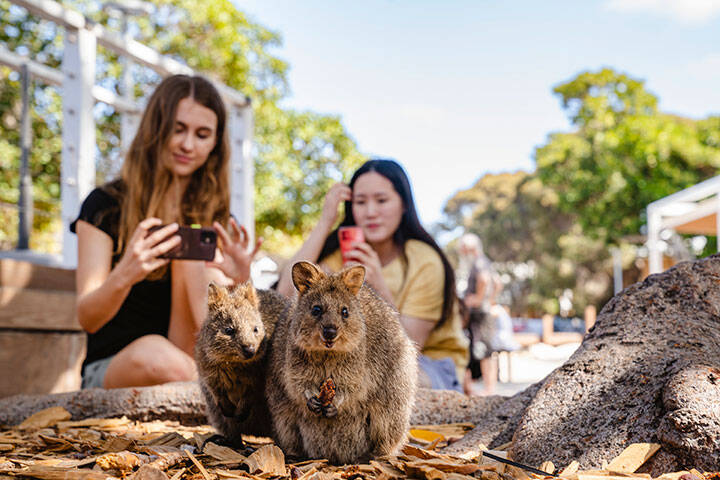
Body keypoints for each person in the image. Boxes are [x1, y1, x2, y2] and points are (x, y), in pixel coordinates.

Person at [71, 74, 260, 390]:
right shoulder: (105, 206)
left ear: (215, 144)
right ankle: (224, 391)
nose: (188, 145)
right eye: (178, 129)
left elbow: (231, 327)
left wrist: (241, 280)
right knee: (158, 356)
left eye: (202, 135)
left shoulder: (216, 219)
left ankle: (223, 383)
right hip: (116, 367)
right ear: (156, 127)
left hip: (190, 358)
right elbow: (87, 318)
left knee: (200, 260)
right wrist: (126, 273)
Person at [276, 159, 469, 391]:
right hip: (353, 360)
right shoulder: (342, 254)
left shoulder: (424, 260)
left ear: (404, 204)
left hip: (429, 366)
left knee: (380, 379)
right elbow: (284, 296)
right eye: (360, 202)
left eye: (382, 200)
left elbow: (406, 350)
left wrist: (377, 286)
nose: (370, 212)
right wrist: (326, 220)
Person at [457, 233, 517, 396]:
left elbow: (484, 280)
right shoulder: (485, 262)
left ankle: (489, 389)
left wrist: (478, 299)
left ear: (470, 248)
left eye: (463, 249)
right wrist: (490, 300)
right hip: (483, 312)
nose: (461, 253)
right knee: (485, 350)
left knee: (484, 351)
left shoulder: (478, 263)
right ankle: (482, 387)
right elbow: (497, 283)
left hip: (480, 315)